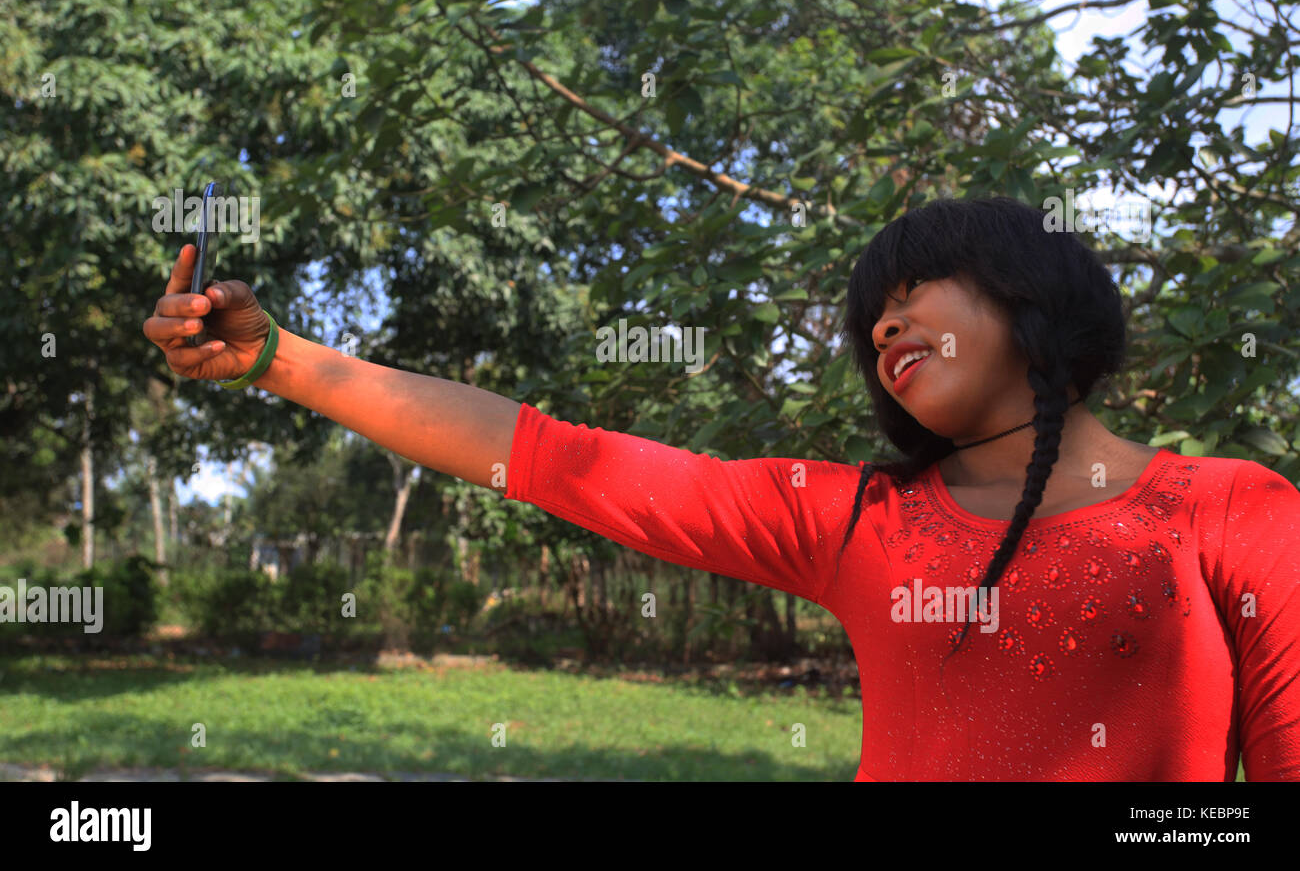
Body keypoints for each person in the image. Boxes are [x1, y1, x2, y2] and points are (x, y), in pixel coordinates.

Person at [143, 195, 1300, 780]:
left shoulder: (1237, 510)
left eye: (916, 286)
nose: (885, 321)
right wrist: (281, 358)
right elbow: (547, 452)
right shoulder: (855, 518)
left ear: (1037, 294)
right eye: (870, 317)